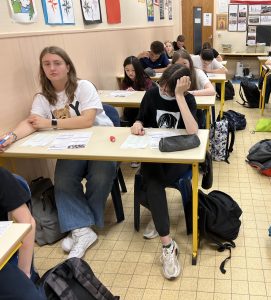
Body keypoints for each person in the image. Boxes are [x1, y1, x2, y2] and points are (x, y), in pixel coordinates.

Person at [0, 46, 117, 259]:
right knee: (63, 180)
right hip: (72, 146)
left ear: (67, 66)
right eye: (47, 64)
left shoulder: (83, 87)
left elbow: (87, 120)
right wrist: (11, 137)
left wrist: (50, 122)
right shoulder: (43, 97)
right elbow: (32, 122)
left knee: (100, 177)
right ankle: (83, 230)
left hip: (100, 142)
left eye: (57, 63)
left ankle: (80, 227)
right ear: (42, 69)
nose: (52, 68)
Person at [130, 64, 198, 279]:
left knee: (152, 185)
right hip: (153, 154)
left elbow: (192, 130)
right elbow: (140, 117)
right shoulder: (151, 94)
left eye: (169, 88)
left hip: (177, 158)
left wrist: (179, 96)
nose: (163, 91)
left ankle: (166, 243)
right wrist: (137, 124)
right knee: (149, 185)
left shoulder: (187, 99)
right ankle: (166, 233)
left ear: (183, 87)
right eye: (163, 85)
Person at [0, 168, 45, 299]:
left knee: (27, 295)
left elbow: (27, 221)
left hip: (3, 260)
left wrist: (25, 272)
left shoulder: (2, 177)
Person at [121, 56, 154, 126]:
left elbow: (149, 96)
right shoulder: (125, 81)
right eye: (127, 70)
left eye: (133, 70)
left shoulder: (146, 80)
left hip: (143, 109)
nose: (130, 73)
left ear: (138, 69)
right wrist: (125, 92)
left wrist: (135, 92)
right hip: (130, 108)